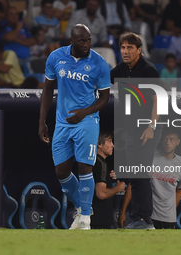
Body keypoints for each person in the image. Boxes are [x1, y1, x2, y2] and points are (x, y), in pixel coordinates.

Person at [38, 24, 110, 230]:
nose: (86, 44)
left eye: (88, 40)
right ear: (72, 41)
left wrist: (85, 112)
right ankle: (82, 207)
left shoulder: (99, 63)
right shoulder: (55, 57)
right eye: (82, 41)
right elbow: (47, 91)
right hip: (62, 122)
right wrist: (41, 121)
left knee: (85, 167)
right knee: (61, 171)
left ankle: (85, 219)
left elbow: (105, 98)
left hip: (87, 121)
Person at [111, 32, 161, 229]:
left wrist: (151, 126)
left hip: (148, 127)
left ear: (139, 50)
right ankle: (139, 219)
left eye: (130, 47)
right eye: (123, 47)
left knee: (140, 174)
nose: (125, 51)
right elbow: (102, 83)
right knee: (134, 174)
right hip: (132, 128)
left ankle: (144, 220)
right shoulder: (120, 70)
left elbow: (159, 99)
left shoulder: (149, 70)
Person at [150, 128, 181, 229]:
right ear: (161, 140)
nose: (167, 143)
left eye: (172, 140)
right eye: (165, 139)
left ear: (177, 142)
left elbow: (179, 191)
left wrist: (170, 211)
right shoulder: (150, 156)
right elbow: (136, 184)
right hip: (149, 215)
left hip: (169, 218)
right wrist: (123, 211)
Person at [91, 131, 125, 229]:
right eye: (109, 142)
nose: (113, 145)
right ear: (99, 144)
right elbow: (101, 194)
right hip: (99, 219)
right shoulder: (101, 164)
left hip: (93, 217)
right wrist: (117, 188)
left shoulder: (94, 161)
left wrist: (109, 179)